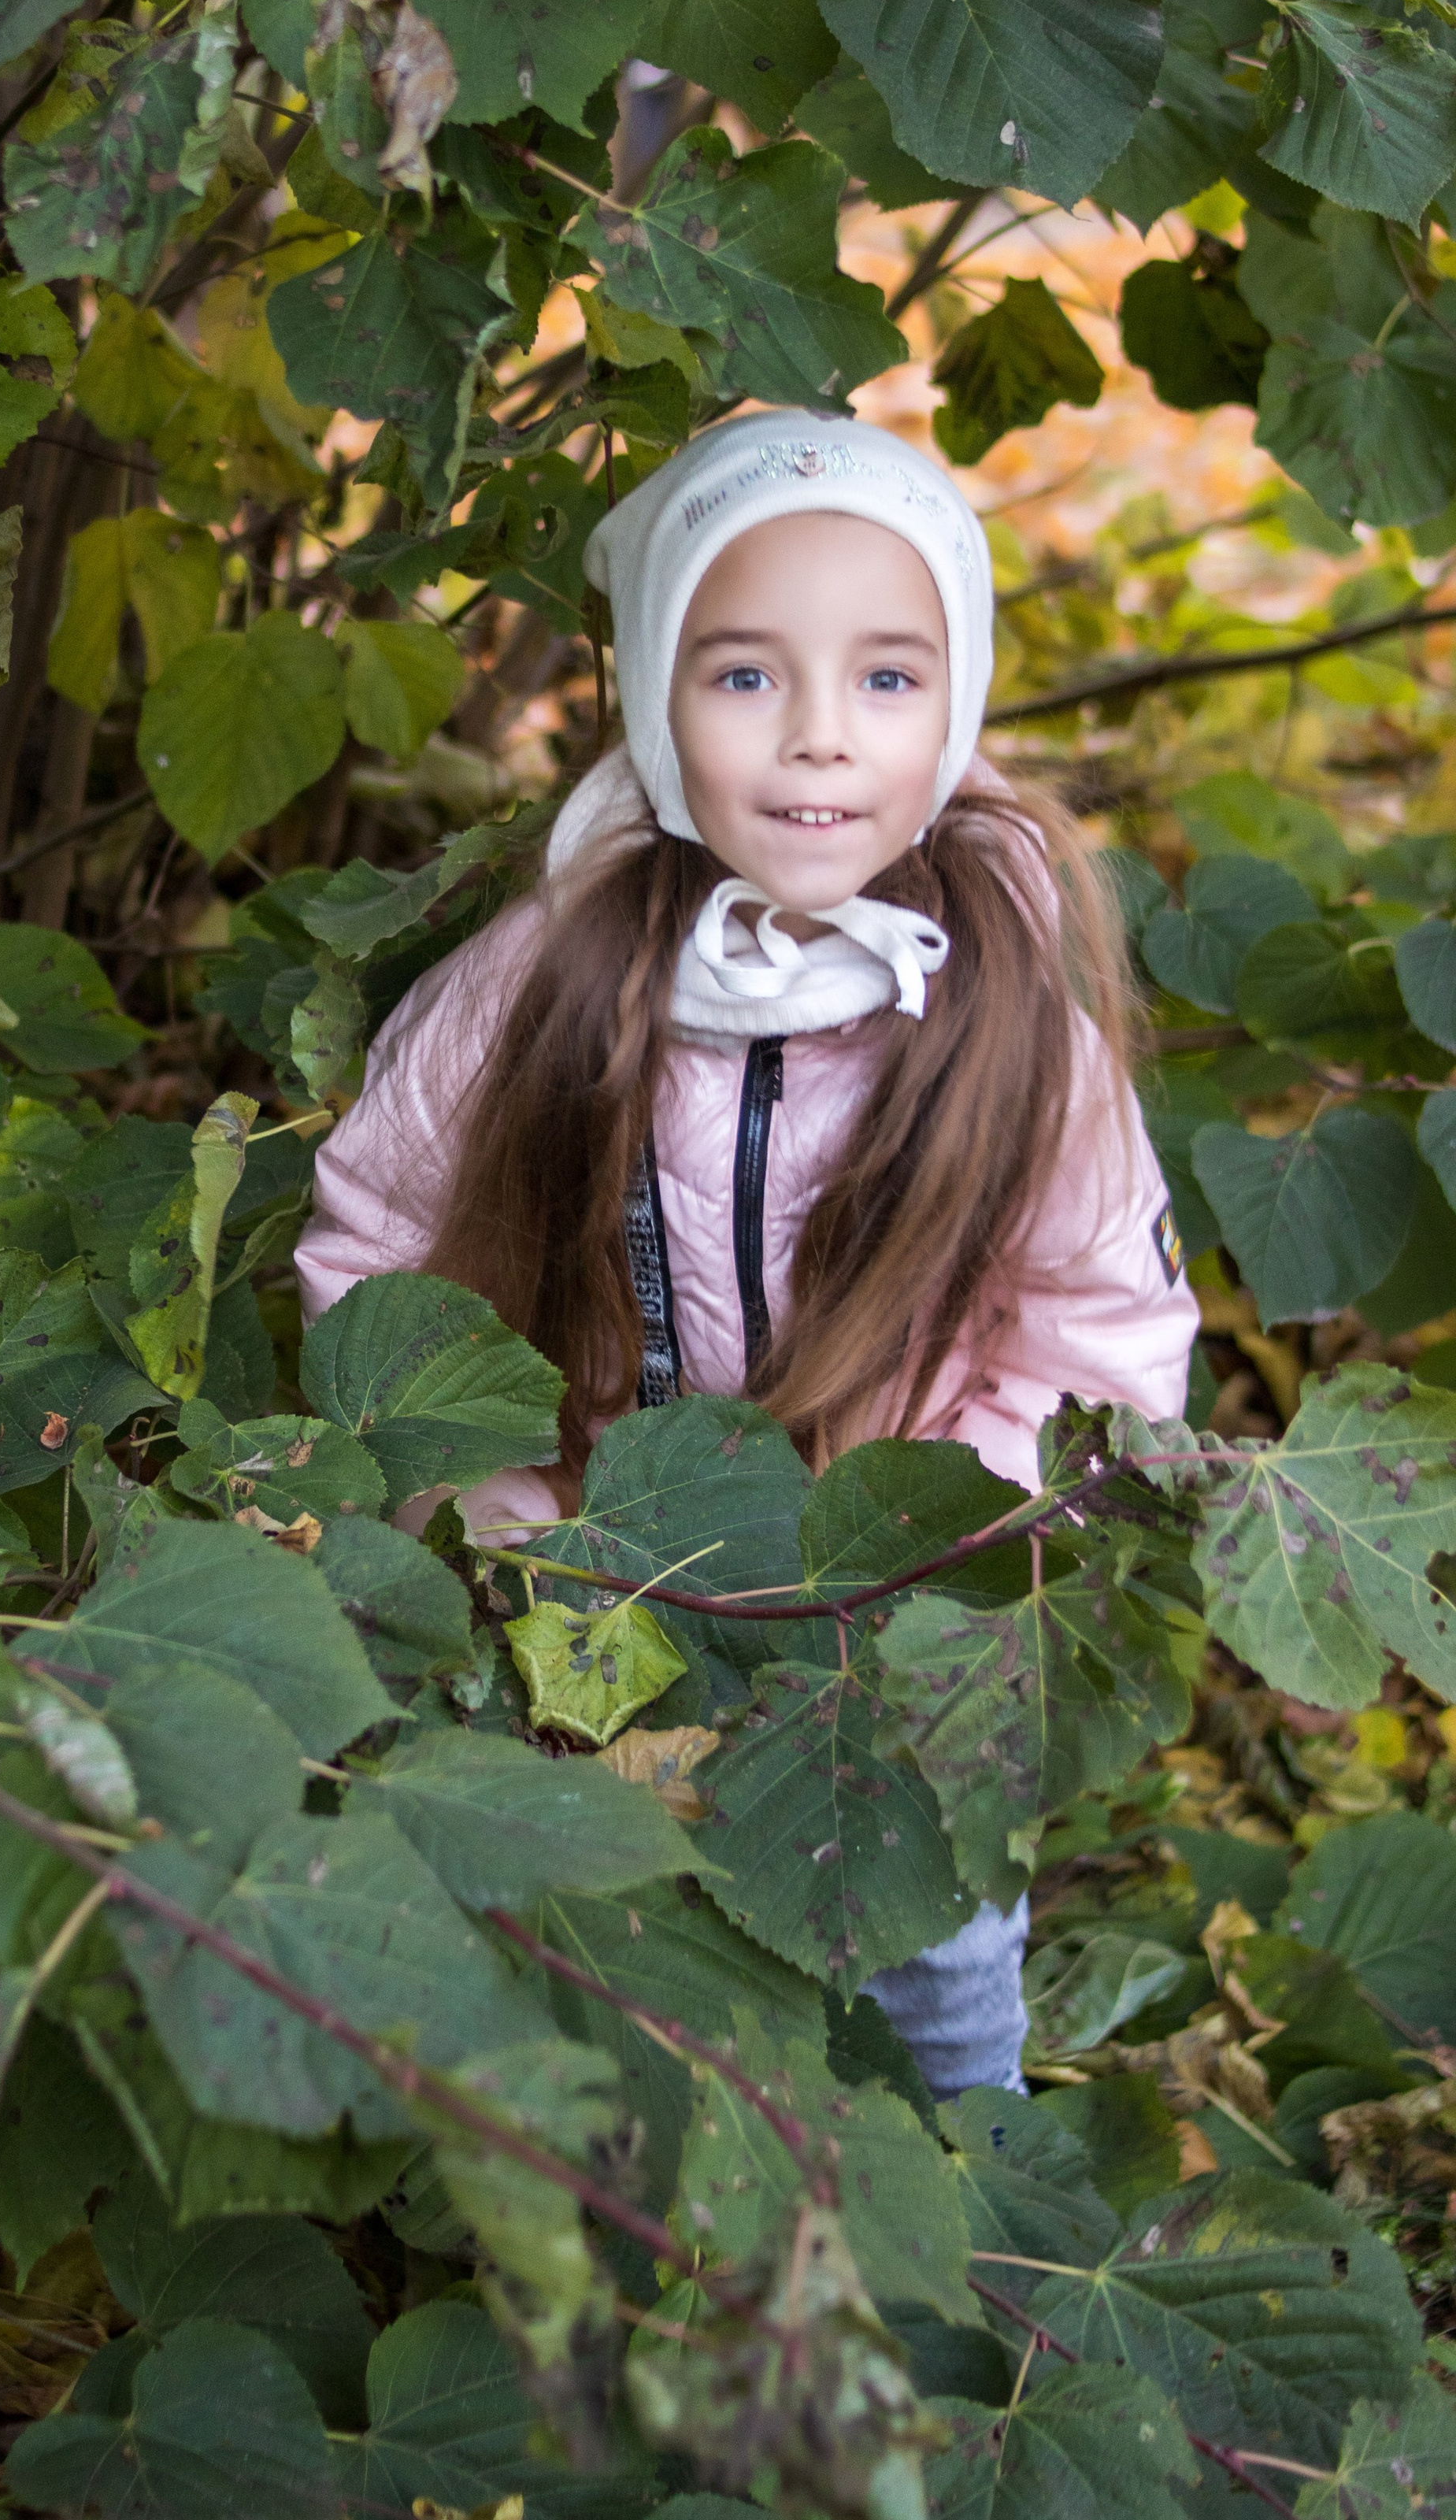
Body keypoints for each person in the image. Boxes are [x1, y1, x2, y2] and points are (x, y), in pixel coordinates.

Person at [295, 407, 1199, 2096]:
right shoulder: (539, 981)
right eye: (740, 678)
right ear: (651, 696)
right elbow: (381, 1253)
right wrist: (493, 1525)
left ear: (957, 696)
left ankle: (965, 2244)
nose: (815, 743)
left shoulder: (1002, 1021)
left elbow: (1102, 1330)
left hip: (888, 1621)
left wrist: (948, 1536)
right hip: (595, 1594)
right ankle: (664, 2247)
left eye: (882, 678)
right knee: (627, 1972)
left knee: (928, 1975)